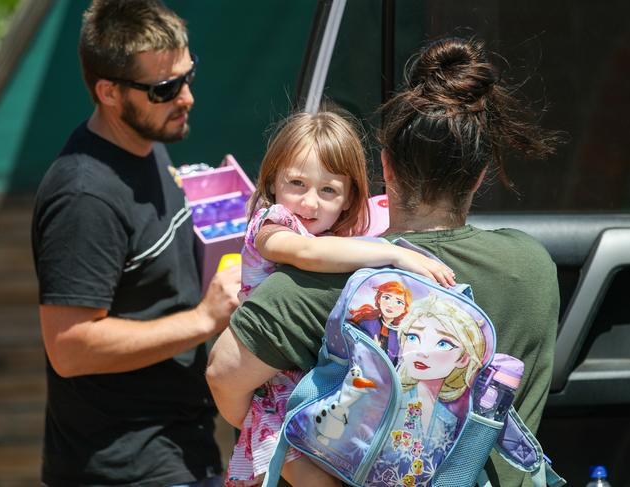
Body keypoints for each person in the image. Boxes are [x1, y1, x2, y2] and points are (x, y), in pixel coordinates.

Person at [207, 36, 561, 487]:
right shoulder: (532, 266)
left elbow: (223, 374)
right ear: (479, 175)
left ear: (386, 167)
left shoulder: (324, 283)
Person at [31, 1, 240, 486]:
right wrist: (204, 319)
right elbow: (70, 347)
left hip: (180, 445)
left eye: (188, 76)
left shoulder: (145, 145)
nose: (185, 97)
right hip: (124, 466)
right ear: (108, 91)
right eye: (164, 89)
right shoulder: (84, 195)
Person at [226, 110, 455, 487]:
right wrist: (395, 254)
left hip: (320, 388)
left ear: (349, 199)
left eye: (328, 190)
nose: (310, 203)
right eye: (296, 183)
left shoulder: (337, 240)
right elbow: (304, 254)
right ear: (272, 184)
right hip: (276, 394)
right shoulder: (271, 224)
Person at [367, 293, 487, 485]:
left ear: (463, 358)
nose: (422, 351)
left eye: (443, 343)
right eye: (413, 337)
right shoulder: (388, 400)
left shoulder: (449, 419)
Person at [349, 280, 413, 364]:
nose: (391, 305)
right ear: (379, 299)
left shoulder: (401, 334)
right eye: (386, 298)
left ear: (404, 308)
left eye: (399, 302)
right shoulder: (366, 322)